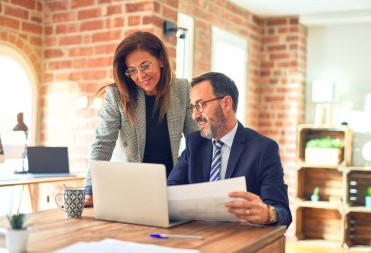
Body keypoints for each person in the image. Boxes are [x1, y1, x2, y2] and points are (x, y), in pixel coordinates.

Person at [84, 31, 199, 206]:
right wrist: (90, 189)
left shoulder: (182, 89)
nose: (140, 76)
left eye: (145, 66)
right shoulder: (116, 95)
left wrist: (203, 184)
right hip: (128, 188)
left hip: (169, 188)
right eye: (132, 70)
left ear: (160, 60)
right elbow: (103, 143)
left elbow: (196, 141)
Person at [167, 72, 292, 227]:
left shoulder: (264, 149)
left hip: (240, 240)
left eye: (200, 105)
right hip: (198, 236)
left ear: (226, 103)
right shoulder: (195, 143)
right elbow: (170, 192)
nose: (194, 115)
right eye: (192, 107)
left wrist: (267, 213)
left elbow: (283, 213)